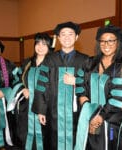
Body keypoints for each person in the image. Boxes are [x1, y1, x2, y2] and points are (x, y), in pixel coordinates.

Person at [32, 21, 89, 150]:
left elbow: (91, 85)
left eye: (70, 34)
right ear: (58, 38)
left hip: (76, 112)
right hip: (53, 110)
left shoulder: (85, 60)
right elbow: (42, 85)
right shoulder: (50, 59)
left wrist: (76, 81)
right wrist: (41, 110)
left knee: (76, 139)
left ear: (77, 37)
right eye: (63, 34)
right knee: (53, 140)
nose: (67, 37)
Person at [74, 24, 122, 150]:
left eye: (111, 41)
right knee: (89, 144)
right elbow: (80, 82)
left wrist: (100, 116)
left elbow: (118, 95)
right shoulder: (90, 62)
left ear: (118, 43)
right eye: (102, 41)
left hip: (111, 120)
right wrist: (83, 99)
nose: (106, 44)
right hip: (88, 114)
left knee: (109, 143)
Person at [8, 33, 53, 150]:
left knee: (44, 138)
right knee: (24, 136)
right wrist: (23, 88)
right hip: (25, 108)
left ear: (49, 47)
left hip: (44, 109)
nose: (40, 47)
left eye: (44, 44)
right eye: (38, 43)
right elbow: (15, 79)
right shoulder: (27, 63)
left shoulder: (53, 65)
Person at [0, 39, 16, 149]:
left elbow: (19, 82)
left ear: (0, 51)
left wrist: (4, 92)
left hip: (3, 105)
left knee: (4, 131)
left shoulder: (10, 66)